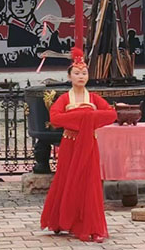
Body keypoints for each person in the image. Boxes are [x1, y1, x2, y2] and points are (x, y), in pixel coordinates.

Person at [41, 47, 117, 243]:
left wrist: (85, 117)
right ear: (69, 76)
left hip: (90, 144)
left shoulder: (93, 98)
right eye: (76, 73)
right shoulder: (65, 98)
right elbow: (55, 118)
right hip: (71, 144)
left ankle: (90, 226)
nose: (81, 76)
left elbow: (111, 114)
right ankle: (62, 220)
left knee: (90, 184)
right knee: (67, 179)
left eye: (84, 73)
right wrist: (85, 116)